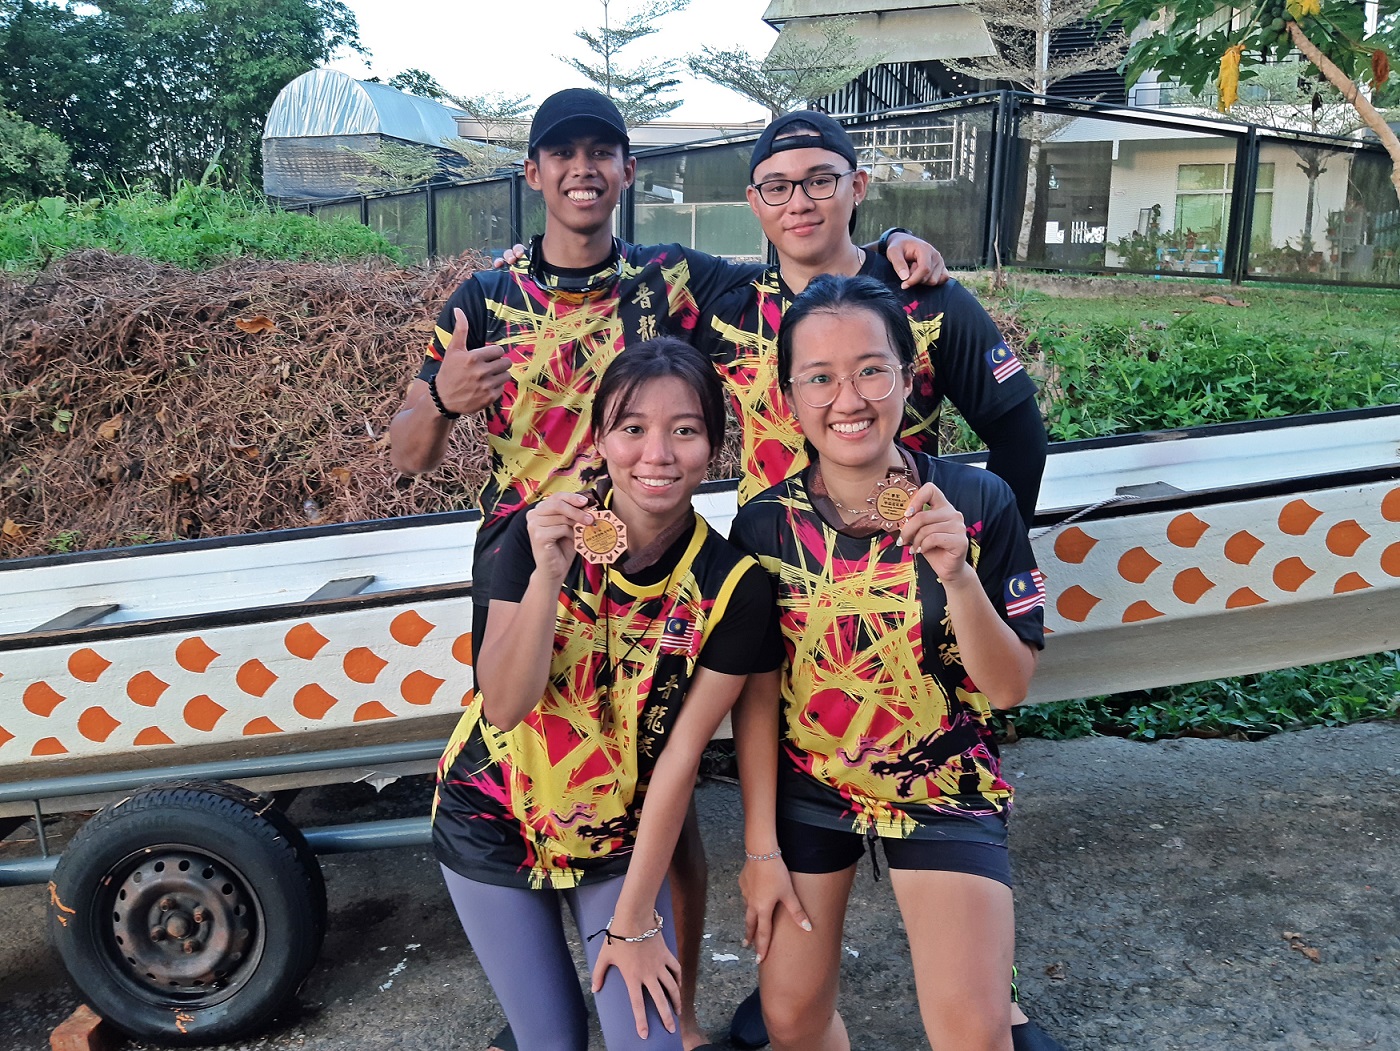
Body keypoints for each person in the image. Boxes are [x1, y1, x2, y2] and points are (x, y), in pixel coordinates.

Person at [390, 87, 940, 1051]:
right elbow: (408, 454)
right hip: (531, 558)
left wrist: (888, 240)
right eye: (562, 154)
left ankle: (664, 1002)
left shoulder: (670, 280)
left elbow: (801, 268)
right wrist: (439, 397)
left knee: (650, 763)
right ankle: (554, 949)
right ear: (533, 173)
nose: (583, 169)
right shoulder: (483, 299)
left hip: (654, 553)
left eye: (603, 151)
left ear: (628, 171)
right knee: (538, 736)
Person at [728, 274, 1046, 1051]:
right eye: (820, 377)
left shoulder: (977, 501)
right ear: (791, 395)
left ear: (908, 376)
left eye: (872, 369)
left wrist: (959, 575)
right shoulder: (764, 526)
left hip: (943, 781)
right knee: (790, 1021)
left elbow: (1007, 689)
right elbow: (759, 699)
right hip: (814, 786)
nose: (849, 398)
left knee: (974, 1035)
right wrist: (759, 849)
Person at [432, 338, 778, 1050]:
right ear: (600, 439)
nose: (656, 453)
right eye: (632, 428)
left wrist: (633, 921)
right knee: (551, 1040)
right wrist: (547, 577)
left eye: (684, 429)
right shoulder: (535, 533)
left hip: (615, 835)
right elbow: (502, 703)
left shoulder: (733, 584)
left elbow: (681, 760)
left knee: (646, 1039)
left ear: (713, 445)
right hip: (490, 815)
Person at [702, 109, 1046, 527]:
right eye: (777, 187)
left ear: (858, 186)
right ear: (755, 202)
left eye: (820, 181)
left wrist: (993, 549)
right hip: (768, 565)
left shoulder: (927, 301)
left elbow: (1020, 438)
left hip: (906, 568)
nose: (800, 203)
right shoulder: (729, 312)